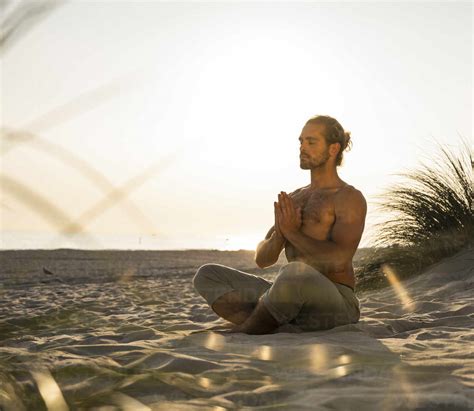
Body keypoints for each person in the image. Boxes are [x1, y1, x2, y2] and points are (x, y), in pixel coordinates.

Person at [193, 115, 367, 334]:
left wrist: (293, 233)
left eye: (311, 142)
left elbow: (340, 260)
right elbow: (263, 260)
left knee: (296, 272)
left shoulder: (348, 197)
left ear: (333, 149)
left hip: (336, 303)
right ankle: (273, 321)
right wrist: (279, 237)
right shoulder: (295, 198)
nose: (302, 147)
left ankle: (253, 327)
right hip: (289, 294)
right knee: (208, 275)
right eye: (301, 141)